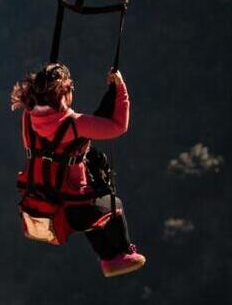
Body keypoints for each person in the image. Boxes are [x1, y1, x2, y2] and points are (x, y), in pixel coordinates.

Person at [11, 63, 146, 277]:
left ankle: (107, 260)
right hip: (74, 209)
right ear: (63, 93)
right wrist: (120, 88)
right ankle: (122, 253)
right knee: (113, 205)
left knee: (90, 209)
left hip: (45, 200)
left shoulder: (28, 117)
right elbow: (118, 126)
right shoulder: (74, 124)